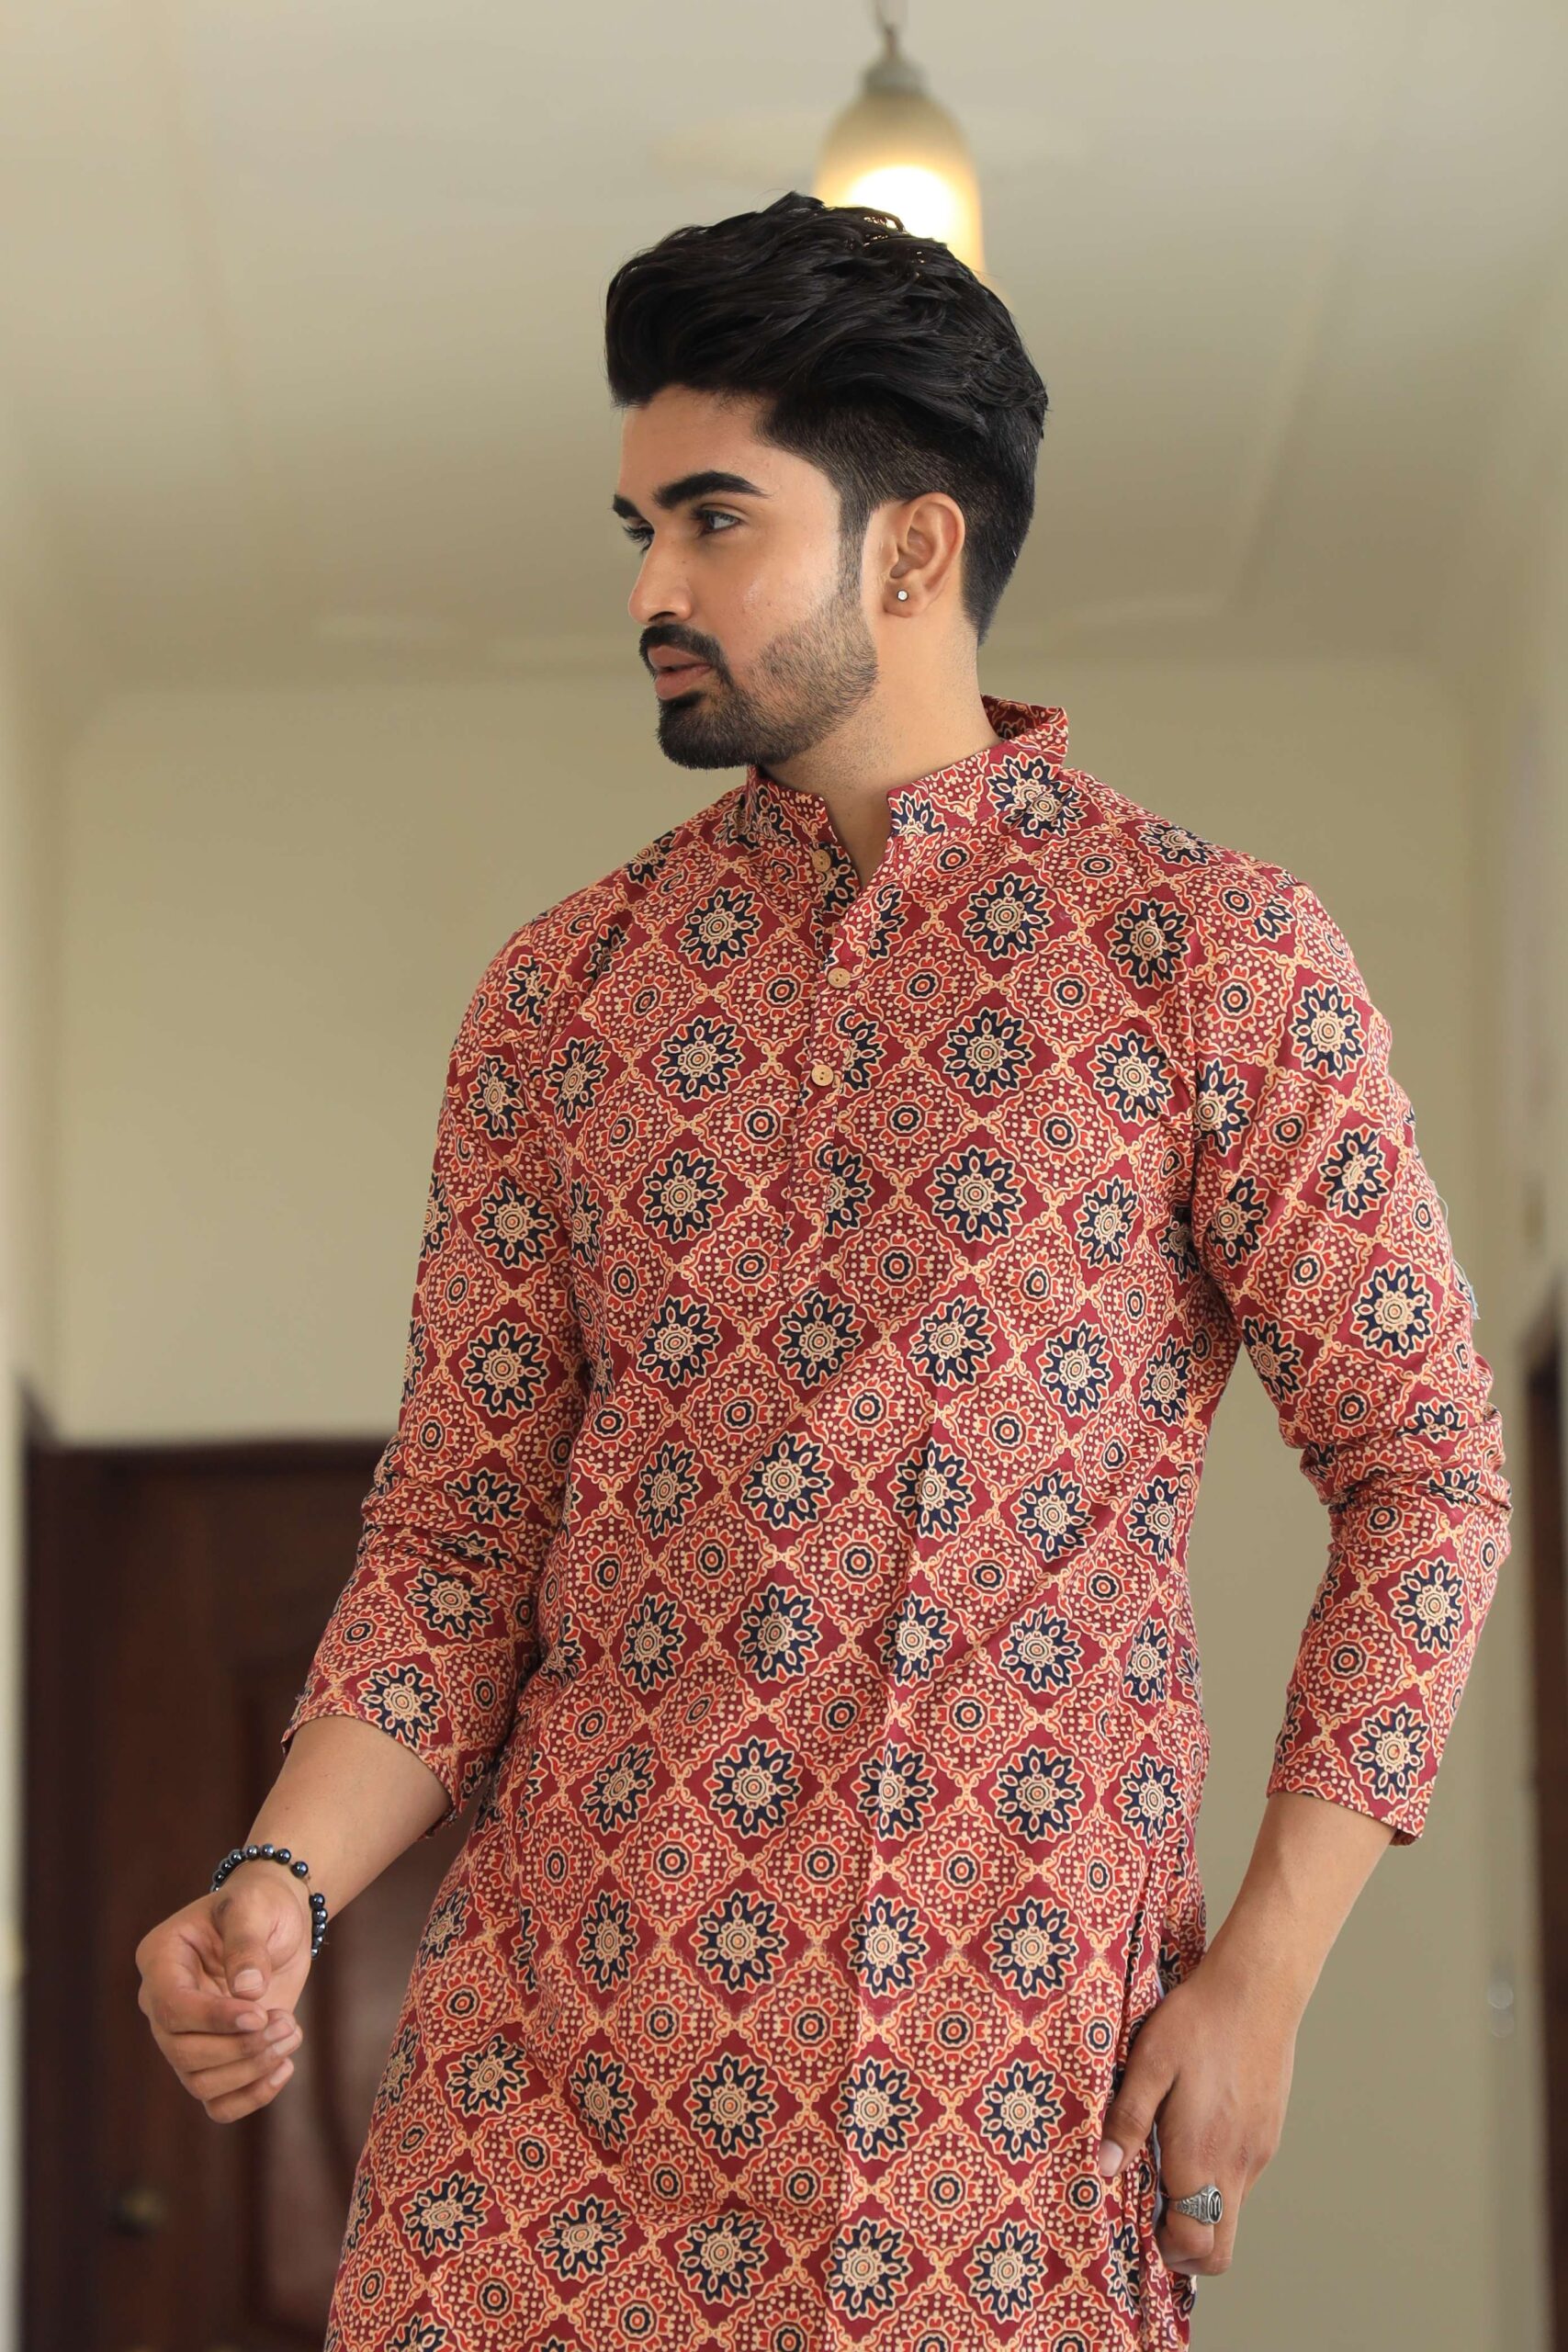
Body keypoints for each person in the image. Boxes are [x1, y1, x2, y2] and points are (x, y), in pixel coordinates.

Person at [135, 190, 1510, 2348]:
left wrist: (1261, 1968)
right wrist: (279, 1877)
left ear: (912, 549)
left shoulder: (1201, 955)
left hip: (980, 2116)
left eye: (711, 520)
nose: (648, 589)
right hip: (535, 2118)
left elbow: (1424, 1468)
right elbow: (458, 1541)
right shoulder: (560, 998)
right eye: (637, 529)